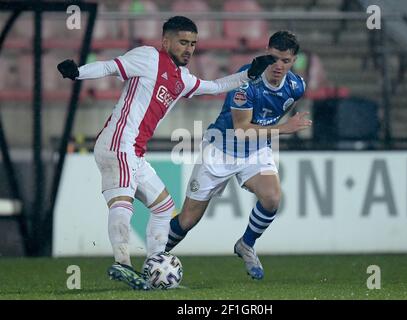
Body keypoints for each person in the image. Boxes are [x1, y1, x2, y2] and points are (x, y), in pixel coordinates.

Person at [57, 16, 275, 290]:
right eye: (183, 42)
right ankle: (122, 264)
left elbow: (215, 87)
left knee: (163, 209)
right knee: (122, 202)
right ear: (166, 41)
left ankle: (154, 263)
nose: (189, 49)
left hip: (134, 152)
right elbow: (110, 66)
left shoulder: (181, 78)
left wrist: (248, 74)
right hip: (118, 143)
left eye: (193, 44)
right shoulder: (148, 57)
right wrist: (78, 72)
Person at [164, 31, 311, 280]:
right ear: (266, 51)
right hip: (221, 149)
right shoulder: (247, 81)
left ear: (294, 60)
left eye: (285, 61)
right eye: (274, 58)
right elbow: (242, 130)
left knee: (272, 198)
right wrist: (284, 129)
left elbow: (268, 114)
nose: (278, 66)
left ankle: (246, 244)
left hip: (255, 151)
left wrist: (273, 131)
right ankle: (156, 255)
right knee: (187, 220)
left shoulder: (296, 87)